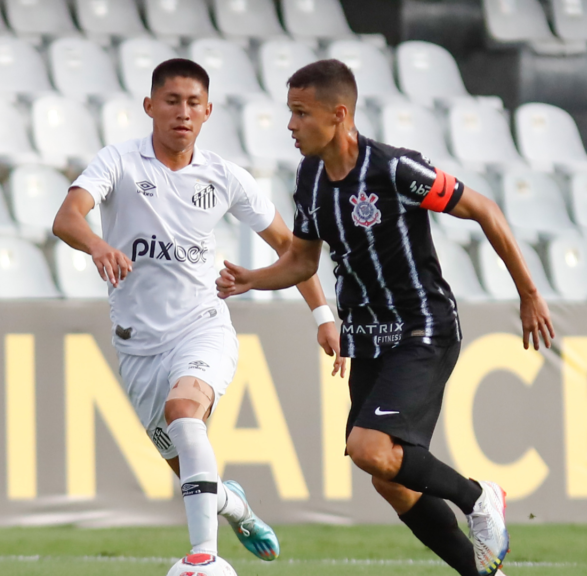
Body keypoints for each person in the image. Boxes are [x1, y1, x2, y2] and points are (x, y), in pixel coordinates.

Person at [215, 60, 555, 576]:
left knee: (369, 447)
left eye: (300, 113)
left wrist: (528, 293)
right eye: (290, 113)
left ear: (339, 114)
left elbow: (484, 208)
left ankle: (479, 496)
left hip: (423, 327)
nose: (290, 125)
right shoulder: (309, 179)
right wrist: (251, 280)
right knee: (389, 478)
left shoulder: (395, 171)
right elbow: (304, 262)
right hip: (367, 339)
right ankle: (485, 573)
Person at [52, 59, 346, 562]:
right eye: (171, 101)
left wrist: (323, 316)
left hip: (201, 326)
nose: (182, 113)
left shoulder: (225, 177)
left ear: (208, 112)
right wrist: (100, 247)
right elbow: (67, 216)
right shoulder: (118, 162)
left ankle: (202, 560)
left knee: (185, 414)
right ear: (150, 107)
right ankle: (233, 504)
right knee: (190, 472)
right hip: (138, 346)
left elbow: (291, 249)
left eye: (193, 103)